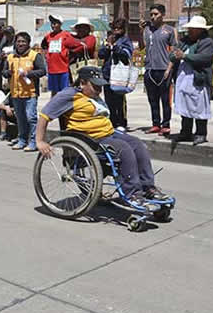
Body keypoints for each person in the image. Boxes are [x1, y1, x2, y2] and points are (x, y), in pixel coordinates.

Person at [35, 67, 169, 208]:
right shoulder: (68, 95)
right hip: (90, 138)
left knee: (138, 145)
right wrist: (40, 141)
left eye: (100, 86)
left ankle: (148, 187)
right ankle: (133, 193)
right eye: (95, 86)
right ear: (82, 83)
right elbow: (45, 115)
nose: (99, 90)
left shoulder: (92, 95)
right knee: (124, 150)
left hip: (109, 133)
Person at [171, 16, 213, 146]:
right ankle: (186, 131)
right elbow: (173, 54)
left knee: (199, 106)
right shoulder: (185, 41)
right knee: (185, 105)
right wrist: (175, 55)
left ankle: (201, 133)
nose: (189, 30)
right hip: (184, 78)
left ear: (200, 30)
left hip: (198, 79)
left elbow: (205, 58)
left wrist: (184, 56)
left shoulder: (206, 42)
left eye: (192, 28)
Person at [2, 31, 47, 152]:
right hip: (15, 93)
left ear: (28, 43)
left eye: (23, 41)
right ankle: (22, 140)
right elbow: (4, 72)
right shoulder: (10, 57)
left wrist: (29, 73)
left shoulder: (34, 55)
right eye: (18, 41)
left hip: (30, 93)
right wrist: (8, 73)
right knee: (20, 118)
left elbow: (43, 71)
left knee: (31, 117)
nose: (20, 44)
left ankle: (33, 141)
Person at [140, 4, 178, 136]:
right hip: (150, 69)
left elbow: (174, 51)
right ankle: (155, 123)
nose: (153, 17)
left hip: (164, 69)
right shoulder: (147, 30)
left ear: (163, 14)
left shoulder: (169, 30)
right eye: (151, 14)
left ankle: (165, 124)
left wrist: (169, 68)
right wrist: (142, 30)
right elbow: (142, 46)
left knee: (165, 99)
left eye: (155, 14)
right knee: (152, 99)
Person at [41, 14, 80, 130]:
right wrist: (46, 55)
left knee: (64, 94)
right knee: (54, 94)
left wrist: (70, 55)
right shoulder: (48, 36)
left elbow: (77, 45)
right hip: (52, 70)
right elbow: (43, 45)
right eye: (52, 23)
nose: (53, 25)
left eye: (56, 23)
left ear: (60, 24)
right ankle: (56, 114)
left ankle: (66, 116)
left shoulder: (66, 35)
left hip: (63, 69)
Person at [98, 18, 134, 131]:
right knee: (108, 100)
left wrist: (115, 47)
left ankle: (121, 122)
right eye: (115, 28)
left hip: (120, 75)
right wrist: (108, 46)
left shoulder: (125, 40)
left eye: (119, 28)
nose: (116, 30)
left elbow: (126, 55)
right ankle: (112, 121)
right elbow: (101, 54)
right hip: (108, 74)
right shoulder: (108, 39)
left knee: (119, 99)